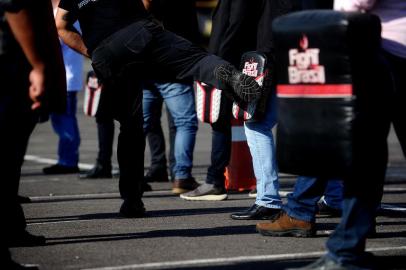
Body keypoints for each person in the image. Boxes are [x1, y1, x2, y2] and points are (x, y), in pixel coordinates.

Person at [54, 0, 263, 218]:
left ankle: (132, 200)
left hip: (105, 52)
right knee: (195, 59)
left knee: (130, 127)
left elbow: (61, 25)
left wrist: (93, 51)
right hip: (138, 30)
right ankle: (233, 77)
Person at [285, 1, 405, 269]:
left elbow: (356, 2)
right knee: (366, 156)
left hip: (383, 50)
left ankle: (346, 249)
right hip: (386, 48)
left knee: (364, 155)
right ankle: (346, 246)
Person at [182, 0, 291, 221]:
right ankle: (334, 196)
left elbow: (238, 22)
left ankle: (267, 199)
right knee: (314, 126)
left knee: (255, 124)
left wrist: (220, 67)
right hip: (307, 52)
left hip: (269, 54)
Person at [0, 0, 66, 268]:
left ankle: (11, 228)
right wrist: (37, 65)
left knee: (9, 160)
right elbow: (14, 5)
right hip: (11, 63)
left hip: (15, 60)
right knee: (6, 155)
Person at [142, 0, 201, 194]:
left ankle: (135, 176)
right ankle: (181, 176)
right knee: (184, 123)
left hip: (145, 63)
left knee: (140, 124)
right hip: (173, 64)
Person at [43, 0, 83, 175]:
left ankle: (68, 160)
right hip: (65, 77)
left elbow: (55, 40)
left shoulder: (64, 12)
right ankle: (67, 158)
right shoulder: (67, 10)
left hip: (64, 77)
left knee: (64, 119)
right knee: (63, 119)